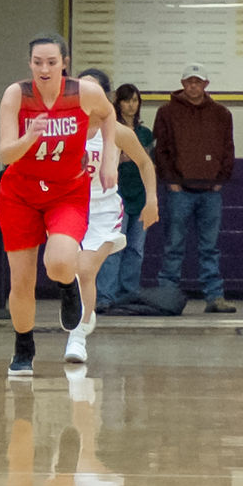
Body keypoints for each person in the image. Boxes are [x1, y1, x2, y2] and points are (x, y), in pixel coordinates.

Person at [0, 34, 117, 376]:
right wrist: (30, 136)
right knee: (21, 280)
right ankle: (23, 346)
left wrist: (109, 159)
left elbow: (109, 116)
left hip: (66, 192)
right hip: (20, 193)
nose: (44, 68)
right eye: (37, 62)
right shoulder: (16, 94)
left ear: (65, 62)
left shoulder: (84, 93)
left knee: (61, 262)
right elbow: (5, 153)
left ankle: (67, 287)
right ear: (29, 63)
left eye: (51, 62)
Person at [65, 69, 158, 364]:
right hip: (69, 208)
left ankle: (77, 338)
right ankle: (86, 313)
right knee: (69, 271)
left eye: (91, 90)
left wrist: (152, 200)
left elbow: (145, 163)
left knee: (86, 268)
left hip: (104, 210)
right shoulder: (66, 127)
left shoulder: (117, 131)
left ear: (106, 97)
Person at [153, 63, 236, 313]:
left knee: (210, 247)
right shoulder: (167, 112)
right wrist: (172, 182)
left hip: (211, 191)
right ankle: (167, 296)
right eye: (189, 81)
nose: (193, 86)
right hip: (180, 191)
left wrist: (221, 178)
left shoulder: (222, 114)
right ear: (182, 84)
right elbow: (161, 150)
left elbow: (228, 148)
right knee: (174, 246)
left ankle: (215, 297)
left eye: (198, 82)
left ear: (206, 85)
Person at [94, 83, 154, 312]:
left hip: (139, 195)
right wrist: (121, 159)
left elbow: (148, 163)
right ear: (118, 103)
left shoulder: (144, 133)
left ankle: (128, 293)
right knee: (113, 247)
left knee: (136, 248)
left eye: (135, 100)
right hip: (117, 194)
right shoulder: (110, 130)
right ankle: (105, 296)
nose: (131, 105)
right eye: (127, 100)